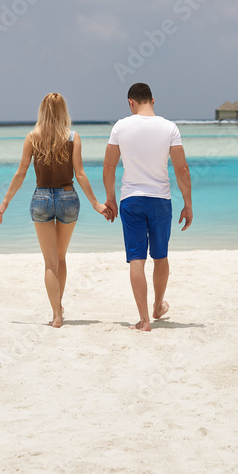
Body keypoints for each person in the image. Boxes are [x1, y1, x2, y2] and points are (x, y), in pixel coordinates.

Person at [0, 93, 111, 328]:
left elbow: (20, 173)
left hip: (41, 198)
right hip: (68, 197)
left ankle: (57, 315)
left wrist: (5, 202)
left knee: (49, 262)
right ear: (63, 112)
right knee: (60, 257)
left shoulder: (32, 137)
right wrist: (96, 204)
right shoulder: (73, 137)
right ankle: (59, 307)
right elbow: (79, 174)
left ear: (42, 112)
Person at [103, 83, 192, 332]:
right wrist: (188, 204)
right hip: (161, 201)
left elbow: (109, 168)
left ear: (130, 102)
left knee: (136, 259)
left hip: (131, 199)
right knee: (161, 256)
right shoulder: (170, 128)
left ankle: (144, 320)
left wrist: (110, 198)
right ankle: (157, 305)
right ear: (153, 100)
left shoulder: (120, 127)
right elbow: (181, 169)